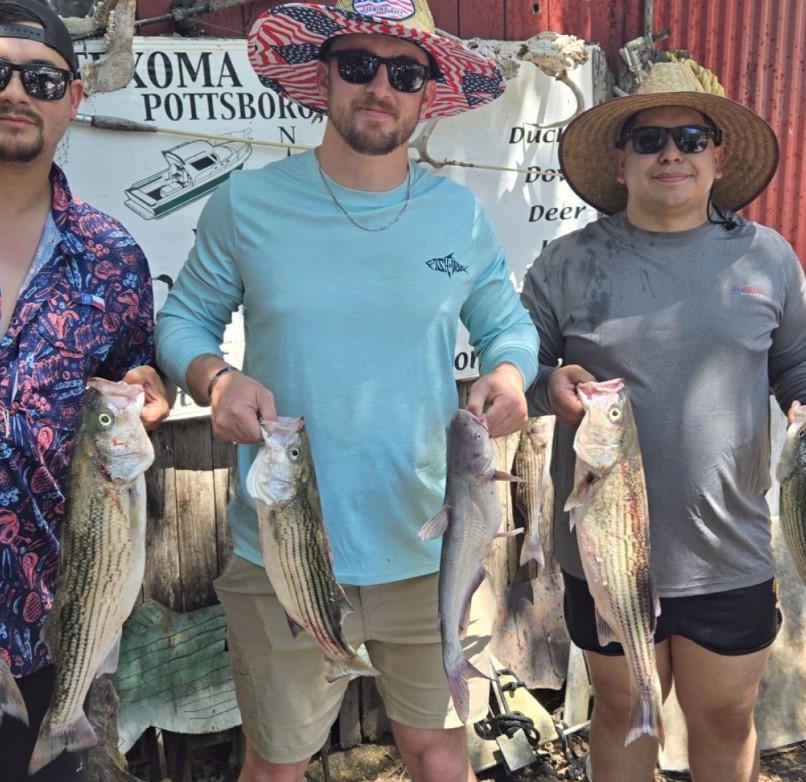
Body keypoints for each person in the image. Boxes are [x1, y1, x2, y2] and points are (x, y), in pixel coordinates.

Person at [155, 1, 539, 780]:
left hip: (425, 546)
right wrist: (216, 377)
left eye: (404, 72)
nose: (379, 87)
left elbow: (511, 330)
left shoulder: (457, 216)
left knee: (435, 747)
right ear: (324, 76)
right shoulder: (248, 204)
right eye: (359, 66)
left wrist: (507, 375)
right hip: (281, 549)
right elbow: (184, 322)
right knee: (278, 760)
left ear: (427, 94)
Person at [520, 61, 806, 782]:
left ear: (718, 155)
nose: (669, 153)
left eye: (689, 136)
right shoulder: (566, 262)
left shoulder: (768, 259)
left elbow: (797, 370)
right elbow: (515, 373)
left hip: (727, 548)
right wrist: (549, 381)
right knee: (620, 717)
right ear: (620, 162)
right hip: (605, 552)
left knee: (725, 720)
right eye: (649, 140)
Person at [0, 1, 170, 780]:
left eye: (41, 78)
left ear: (73, 99)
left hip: (43, 614)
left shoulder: (111, 258)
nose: (16, 92)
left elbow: (132, 375)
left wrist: (146, 389)